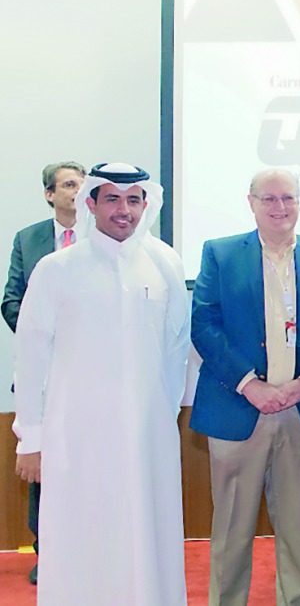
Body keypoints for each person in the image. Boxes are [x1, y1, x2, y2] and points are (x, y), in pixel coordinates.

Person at [13, 163, 191, 605]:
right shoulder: (57, 268)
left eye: (133, 200)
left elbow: (176, 349)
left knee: (148, 534)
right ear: (90, 204)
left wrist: (162, 416)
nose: (123, 210)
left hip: (148, 438)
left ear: (146, 205)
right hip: (78, 437)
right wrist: (30, 438)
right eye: (112, 198)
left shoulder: (165, 263)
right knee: (82, 535)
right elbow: (30, 355)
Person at [190, 168, 300, 606]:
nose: (280, 207)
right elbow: (204, 323)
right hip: (238, 409)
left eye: (288, 198)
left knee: (299, 533)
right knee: (231, 533)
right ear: (251, 203)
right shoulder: (220, 254)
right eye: (269, 199)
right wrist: (249, 385)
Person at [3, 160, 85, 585]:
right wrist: (45, 336)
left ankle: (90, 549)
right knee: (43, 467)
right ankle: (47, 554)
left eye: (82, 184)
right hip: (44, 374)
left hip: (90, 372)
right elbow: (11, 301)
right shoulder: (28, 239)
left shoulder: (102, 237)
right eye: (68, 184)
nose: (77, 191)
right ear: (50, 194)